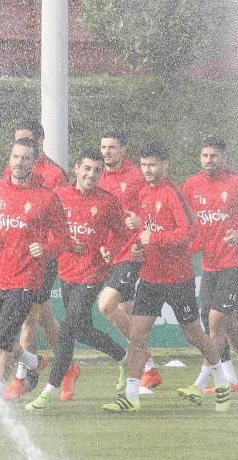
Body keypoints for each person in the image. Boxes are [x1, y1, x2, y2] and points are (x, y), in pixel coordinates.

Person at [102, 142, 229, 413]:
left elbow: (189, 232)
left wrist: (154, 238)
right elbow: (144, 233)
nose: (147, 170)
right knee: (137, 336)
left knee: (194, 335)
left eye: (153, 165)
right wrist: (138, 246)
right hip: (150, 276)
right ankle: (132, 396)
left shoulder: (172, 193)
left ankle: (221, 380)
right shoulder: (142, 195)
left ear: (165, 165)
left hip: (178, 279)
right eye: (144, 164)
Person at [24, 148, 128, 410]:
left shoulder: (107, 202)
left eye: (97, 170)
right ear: (76, 169)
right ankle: (124, 357)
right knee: (82, 329)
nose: (91, 174)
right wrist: (66, 242)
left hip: (92, 274)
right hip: (67, 272)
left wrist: (108, 249)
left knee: (68, 329)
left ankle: (49, 390)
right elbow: (47, 230)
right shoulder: (59, 195)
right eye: (87, 169)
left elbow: (122, 236)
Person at [0, 137, 69, 402]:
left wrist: (46, 247)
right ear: (10, 158)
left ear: (34, 161)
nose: (20, 162)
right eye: (16, 157)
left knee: (5, 336)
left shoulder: (46, 197)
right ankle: (33, 359)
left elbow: (62, 238)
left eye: (26, 158)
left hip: (26, 278)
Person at [181, 136, 238, 405]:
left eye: (214, 156)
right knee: (226, 323)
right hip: (211, 265)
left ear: (225, 158)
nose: (209, 160)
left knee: (216, 320)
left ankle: (204, 383)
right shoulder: (191, 186)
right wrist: (184, 250)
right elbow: (191, 225)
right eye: (205, 155)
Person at [95, 128, 161, 389]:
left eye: (112, 147)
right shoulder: (97, 176)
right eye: (104, 148)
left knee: (106, 306)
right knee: (125, 313)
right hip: (111, 254)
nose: (107, 153)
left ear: (124, 150)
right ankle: (150, 369)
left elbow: (156, 206)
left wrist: (142, 224)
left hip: (132, 254)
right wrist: (101, 246)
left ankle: (143, 361)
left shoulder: (137, 176)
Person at [6, 119, 68, 379]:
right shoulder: (12, 167)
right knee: (45, 319)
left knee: (29, 317)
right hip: (17, 256)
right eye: (18, 142)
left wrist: (46, 246)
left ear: (40, 141)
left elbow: (61, 217)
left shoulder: (54, 174)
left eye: (27, 142)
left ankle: (21, 377)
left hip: (42, 256)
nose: (22, 150)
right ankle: (67, 368)